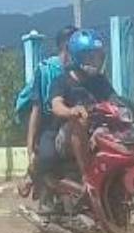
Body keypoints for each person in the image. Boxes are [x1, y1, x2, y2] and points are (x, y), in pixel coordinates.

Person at [15, 25, 77, 205]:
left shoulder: (81, 69)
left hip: (64, 116)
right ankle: (31, 175)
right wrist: (30, 150)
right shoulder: (46, 70)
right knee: (46, 154)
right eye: (70, 48)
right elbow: (36, 108)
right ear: (63, 48)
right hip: (39, 114)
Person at [50, 29, 116, 182]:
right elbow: (56, 105)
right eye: (90, 57)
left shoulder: (100, 81)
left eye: (98, 57)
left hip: (97, 131)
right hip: (66, 136)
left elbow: (115, 99)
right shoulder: (62, 81)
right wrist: (72, 111)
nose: (95, 62)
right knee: (80, 121)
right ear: (77, 56)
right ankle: (87, 176)